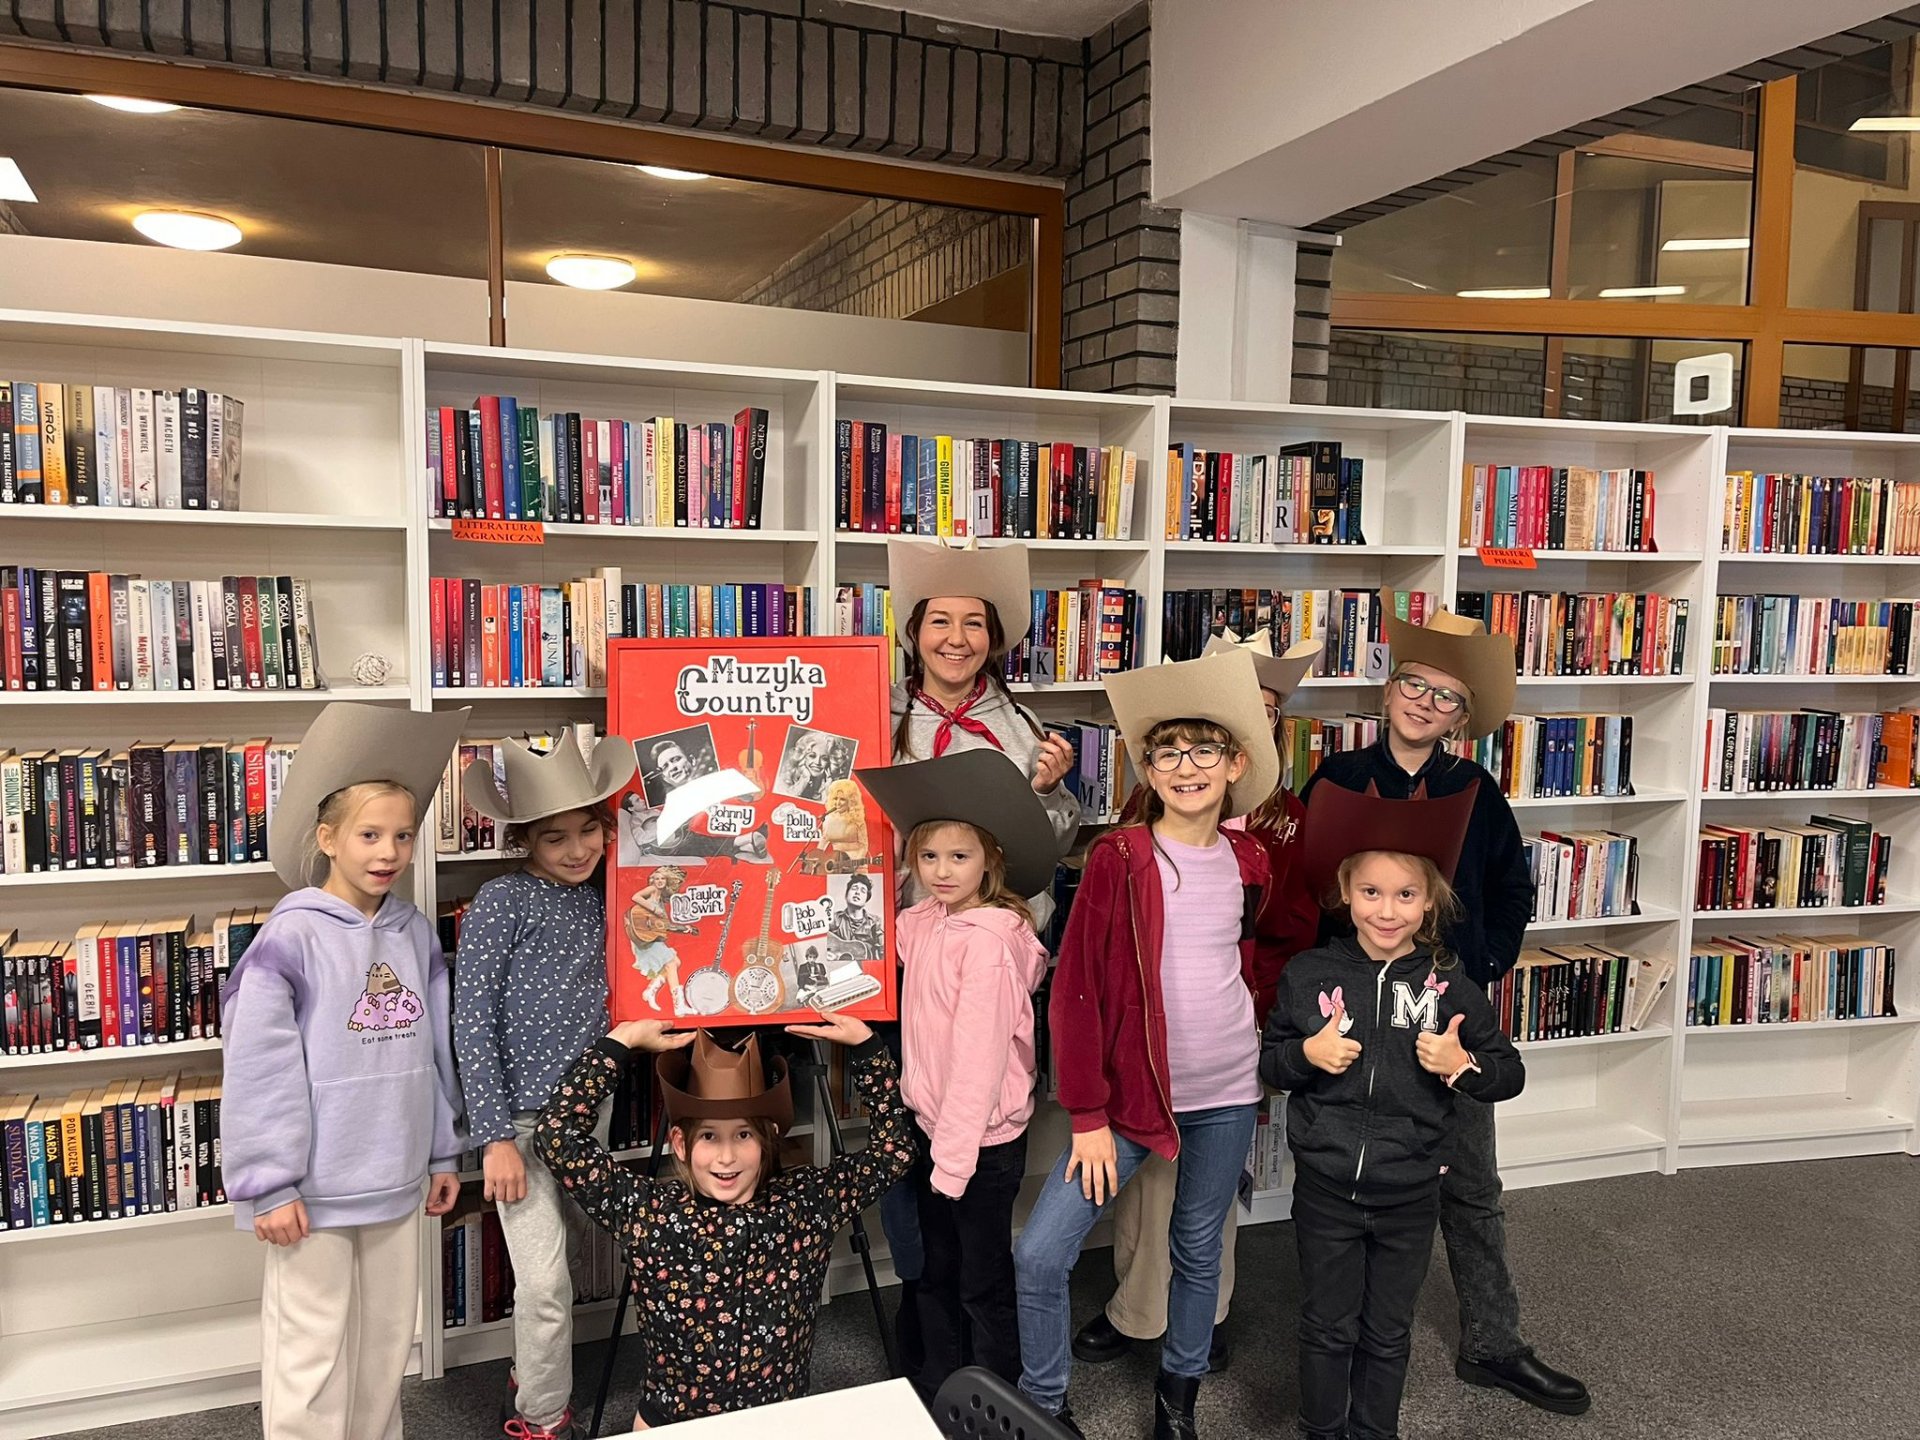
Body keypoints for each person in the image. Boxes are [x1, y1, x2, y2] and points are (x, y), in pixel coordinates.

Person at [1298, 605, 1590, 1416]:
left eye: (1446, 697)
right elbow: (1304, 886)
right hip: (1355, 1003)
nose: (1425, 703)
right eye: (1414, 685)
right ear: (1389, 690)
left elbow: (1511, 887)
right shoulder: (1337, 779)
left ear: (1462, 718)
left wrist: (1481, 964)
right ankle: (1331, 1341)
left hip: (1442, 1007)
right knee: (1345, 1168)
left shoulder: (1474, 790)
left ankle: (1493, 1341)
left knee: (1470, 1177)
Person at [1014, 648, 1276, 1440]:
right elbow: (1077, 991)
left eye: (1204, 750)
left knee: (1197, 1249)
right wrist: (1087, 1114)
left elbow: (1243, 962)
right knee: (1041, 1253)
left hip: (1227, 1093)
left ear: (1235, 764)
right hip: (1127, 1102)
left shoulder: (1251, 860)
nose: (1186, 766)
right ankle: (1044, 1401)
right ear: (1146, 768)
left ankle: (1178, 1399)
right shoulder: (1120, 858)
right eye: (1168, 753)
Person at [1074, 631, 1324, 1374]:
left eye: (1267, 709)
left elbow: (1285, 927)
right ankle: (1136, 1307)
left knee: (1211, 1202)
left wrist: (1259, 1006)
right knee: (1147, 1189)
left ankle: (1205, 1311)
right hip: (1152, 1036)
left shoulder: (1283, 819)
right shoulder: (1149, 803)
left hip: (1231, 1029)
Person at [221, 702, 471, 1440]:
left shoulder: (414, 933)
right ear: (327, 839)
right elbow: (260, 1069)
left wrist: (441, 1152)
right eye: (369, 834)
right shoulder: (289, 938)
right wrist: (269, 1183)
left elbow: (435, 1052)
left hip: (396, 1175)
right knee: (312, 1350)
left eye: (403, 835)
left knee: (386, 1346)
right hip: (312, 1188)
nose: (388, 851)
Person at [1262, 780, 1525, 1440]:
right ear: (1345, 893)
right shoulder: (1308, 975)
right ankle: (1321, 1431)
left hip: (1410, 1193)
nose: (1387, 911)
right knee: (1327, 1326)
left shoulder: (1450, 985)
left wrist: (1461, 1066)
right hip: (1326, 1190)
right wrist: (1307, 1056)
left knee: (1387, 1330)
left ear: (1430, 900)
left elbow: (1509, 1074)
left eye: (1406, 895)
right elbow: (1271, 1064)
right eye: (1371, 892)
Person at [883, 535, 1083, 1367]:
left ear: (994, 638)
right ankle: (925, 1320)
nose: (956, 638)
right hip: (904, 962)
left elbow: (1049, 845)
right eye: (940, 621)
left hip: (992, 956)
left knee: (974, 1118)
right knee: (907, 1149)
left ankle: (974, 1352)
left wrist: (1051, 793)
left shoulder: (1022, 725)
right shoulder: (880, 714)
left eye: (973, 623)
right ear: (915, 631)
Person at [531, 1014, 915, 1430]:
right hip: (671, 1422)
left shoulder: (805, 1205)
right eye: (709, 1136)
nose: (726, 1157)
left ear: (768, 1137)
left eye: (744, 1135)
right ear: (681, 1143)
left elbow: (894, 1152)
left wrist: (867, 1048)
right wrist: (619, 1043)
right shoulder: (649, 1212)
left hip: (776, 1419)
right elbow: (556, 1137)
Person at [855, 751, 1063, 1404]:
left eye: (959, 857)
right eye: (928, 857)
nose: (941, 872)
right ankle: (940, 1388)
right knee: (937, 1269)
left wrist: (952, 1161)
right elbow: (882, 930)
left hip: (981, 1143)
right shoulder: (929, 923)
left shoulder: (990, 943)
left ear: (990, 862)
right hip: (933, 1129)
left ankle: (995, 1400)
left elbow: (977, 1064)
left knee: (981, 1281)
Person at [452, 736, 637, 1440]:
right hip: (522, 1124)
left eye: (588, 830)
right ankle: (541, 1419)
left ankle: (529, 1374)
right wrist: (494, 1137)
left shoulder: (600, 897)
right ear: (524, 838)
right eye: (555, 837)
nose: (577, 849)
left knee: (585, 1255)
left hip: (588, 1114)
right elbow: (470, 1020)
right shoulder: (502, 901)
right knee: (547, 1284)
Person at [625, 865, 699, 1014]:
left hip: (652, 938)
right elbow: (635, 897)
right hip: (644, 938)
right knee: (671, 963)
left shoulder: (661, 902)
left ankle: (651, 990)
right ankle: (679, 1006)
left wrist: (685, 928)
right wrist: (653, 909)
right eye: (656, 878)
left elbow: (664, 925)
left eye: (662, 879)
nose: (659, 881)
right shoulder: (652, 891)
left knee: (675, 962)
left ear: (667, 881)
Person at [827, 872, 887, 963]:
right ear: (846, 895)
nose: (857, 892)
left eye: (863, 891)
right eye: (854, 888)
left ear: (866, 900)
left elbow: (884, 953)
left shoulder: (875, 922)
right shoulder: (834, 919)